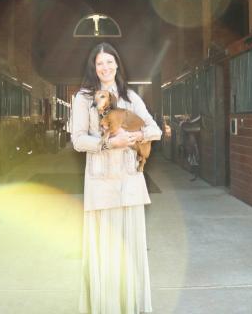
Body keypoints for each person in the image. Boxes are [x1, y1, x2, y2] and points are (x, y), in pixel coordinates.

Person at [71, 42, 162, 313]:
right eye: (100, 63)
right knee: (105, 251)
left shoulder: (131, 97)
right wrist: (110, 144)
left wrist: (136, 136)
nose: (105, 67)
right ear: (94, 67)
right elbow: (77, 140)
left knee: (130, 249)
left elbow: (155, 129)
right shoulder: (84, 98)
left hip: (130, 182)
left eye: (109, 62)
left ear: (117, 64)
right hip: (101, 183)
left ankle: (130, 306)